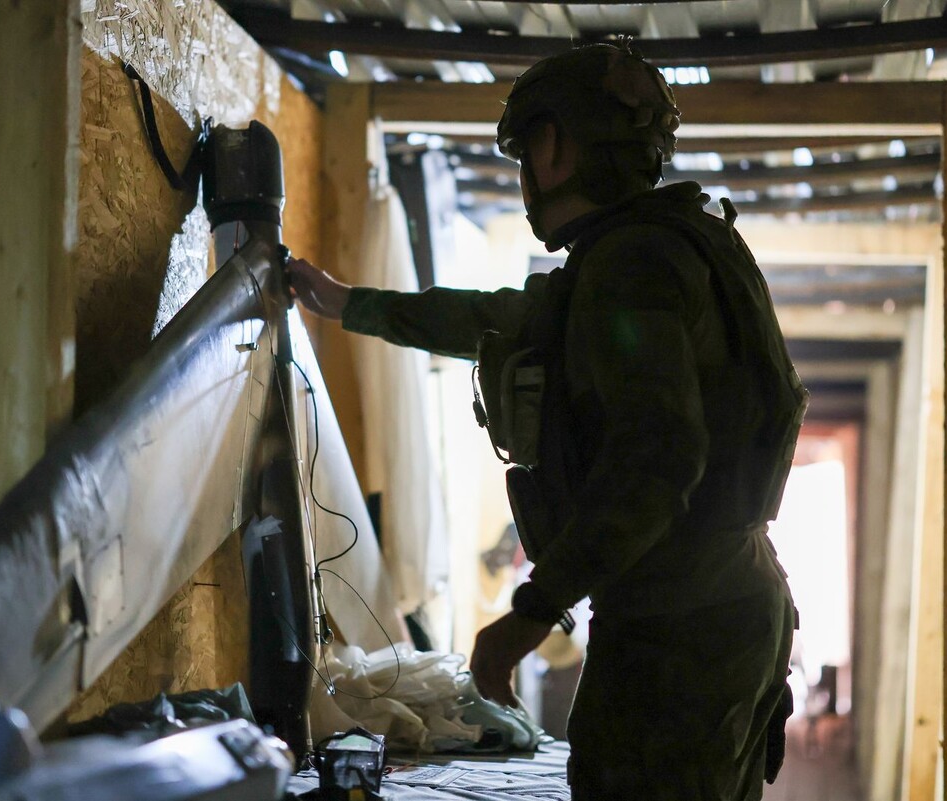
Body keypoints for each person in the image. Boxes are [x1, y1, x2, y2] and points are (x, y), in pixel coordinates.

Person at [288, 40, 806, 801]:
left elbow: (658, 457)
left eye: (527, 149)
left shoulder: (630, 265)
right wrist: (348, 304)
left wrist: (532, 611)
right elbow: (497, 318)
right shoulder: (675, 245)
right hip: (729, 603)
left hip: (679, 628)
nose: (527, 172)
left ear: (556, 144)